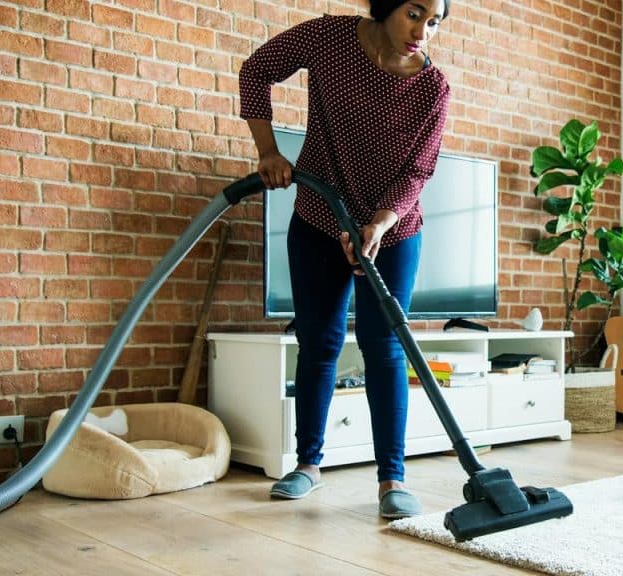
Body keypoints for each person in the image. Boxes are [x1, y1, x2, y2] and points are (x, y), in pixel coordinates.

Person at [238, 0, 451, 519]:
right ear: (385, 7)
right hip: (318, 216)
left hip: (393, 231)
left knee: (384, 348)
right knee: (319, 342)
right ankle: (307, 465)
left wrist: (378, 223)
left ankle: (391, 480)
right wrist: (268, 151)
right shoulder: (329, 39)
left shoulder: (433, 88)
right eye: (414, 14)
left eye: (434, 22)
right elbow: (255, 71)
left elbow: (419, 171)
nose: (422, 31)